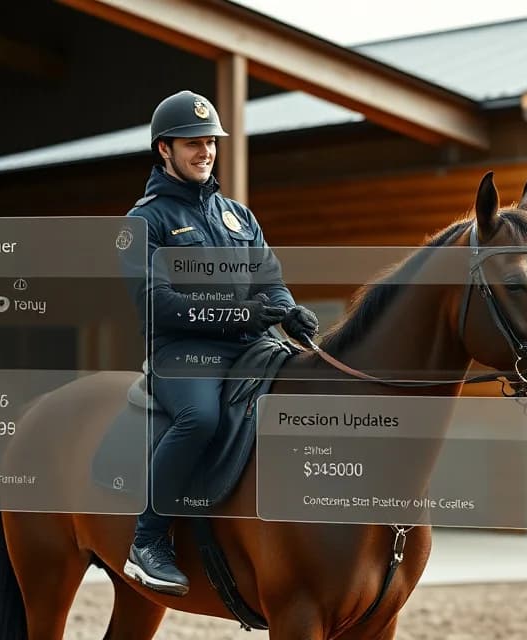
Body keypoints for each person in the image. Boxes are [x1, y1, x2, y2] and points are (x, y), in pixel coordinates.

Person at [123, 90, 318, 596]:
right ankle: (148, 541)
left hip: (251, 345)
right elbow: (157, 303)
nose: (205, 151)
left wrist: (290, 312)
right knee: (201, 418)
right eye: (193, 142)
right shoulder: (145, 220)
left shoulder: (238, 216)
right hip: (182, 353)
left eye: (210, 141)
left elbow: (270, 280)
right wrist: (240, 314)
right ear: (164, 149)